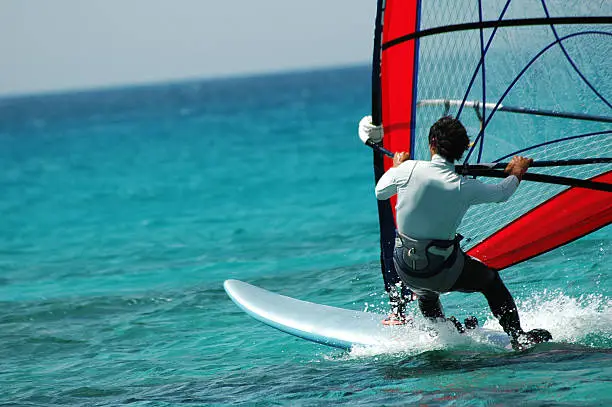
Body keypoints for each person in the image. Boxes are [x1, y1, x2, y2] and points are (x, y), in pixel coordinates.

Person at [362, 115, 552, 350]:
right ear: (462, 151)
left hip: (406, 269)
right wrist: (517, 173)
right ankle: (518, 336)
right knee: (490, 281)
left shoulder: (409, 170)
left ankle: (444, 331)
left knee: (426, 293)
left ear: (432, 144)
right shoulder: (464, 186)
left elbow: (380, 192)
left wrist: (397, 168)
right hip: (442, 271)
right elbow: (501, 193)